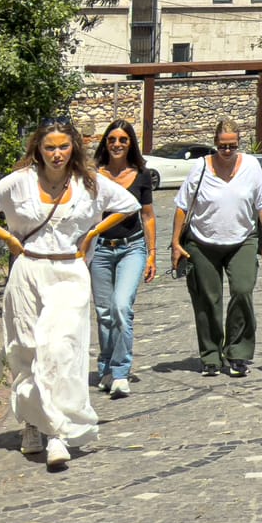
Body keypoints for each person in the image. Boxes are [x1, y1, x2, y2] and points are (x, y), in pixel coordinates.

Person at [0, 118, 140, 469]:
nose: (57, 154)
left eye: (63, 146)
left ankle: (58, 434)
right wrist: (8, 238)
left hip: (70, 273)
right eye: (50, 147)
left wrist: (92, 235)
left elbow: (128, 205)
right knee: (27, 350)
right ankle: (32, 424)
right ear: (38, 150)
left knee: (59, 349)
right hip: (29, 270)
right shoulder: (20, 182)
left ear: (73, 146)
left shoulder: (88, 183)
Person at [170, 120, 262, 378]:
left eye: (232, 146)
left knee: (242, 290)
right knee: (208, 299)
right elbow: (182, 206)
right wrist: (175, 244)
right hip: (203, 242)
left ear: (239, 143)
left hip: (242, 240)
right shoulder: (201, 168)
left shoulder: (250, 166)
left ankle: (238, 353)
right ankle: (211, 356)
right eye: (222, 146)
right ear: (215, 144)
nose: (227, 151)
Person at [90, 120, 158, 396]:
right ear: (105, 143)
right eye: (112, 140)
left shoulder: (141, 174)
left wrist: (152, 254)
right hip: (101, 249)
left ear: (131, 144)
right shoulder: (94, 175)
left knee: (121, 307)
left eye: (123, 140)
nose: (117, 144)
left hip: (132, 247)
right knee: (103, 313)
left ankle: (120, 371)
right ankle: (105, 367)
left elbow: (148, 215)